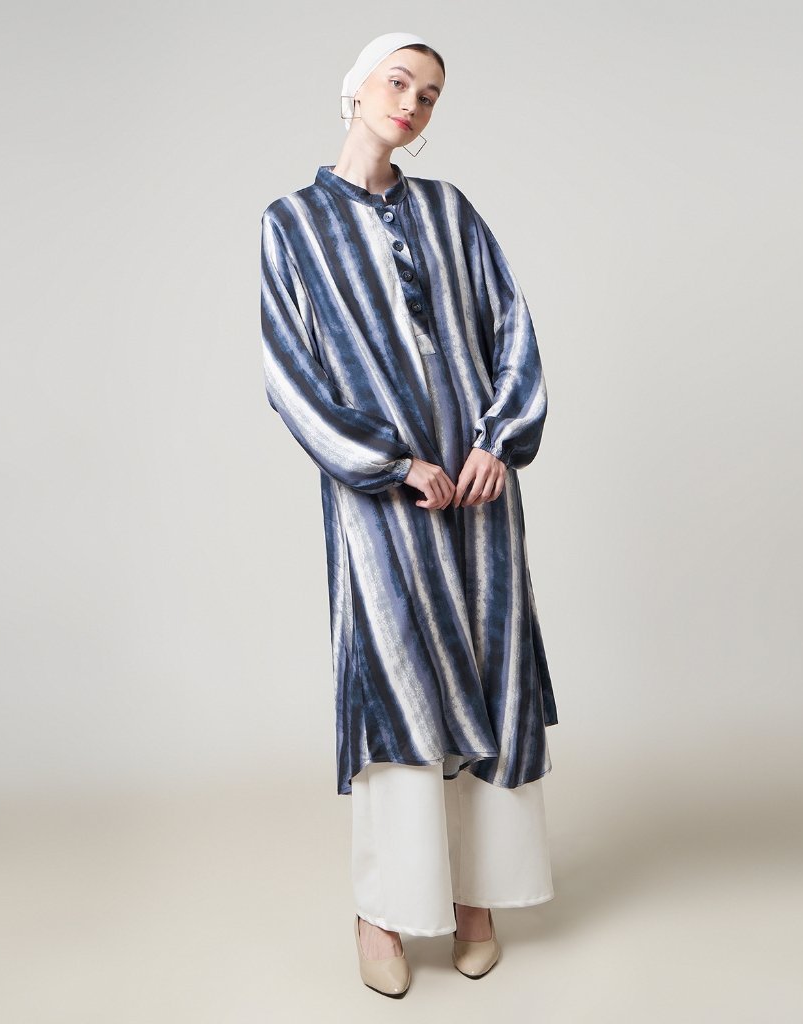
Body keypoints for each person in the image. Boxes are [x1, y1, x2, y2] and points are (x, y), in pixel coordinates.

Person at [259, 32, 558, 998]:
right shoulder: (293, 225)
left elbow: (511, 327)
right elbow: (291, 376)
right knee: (398, 685)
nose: (413, 104)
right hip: (383, 505)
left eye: (430, 94)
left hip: (477, 493)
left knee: (489, 675)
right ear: (356, 88)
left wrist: (497, 442)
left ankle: (476, 899)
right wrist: (390, 466)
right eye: (400, 83)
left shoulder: (450, 211)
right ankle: (382, 912)